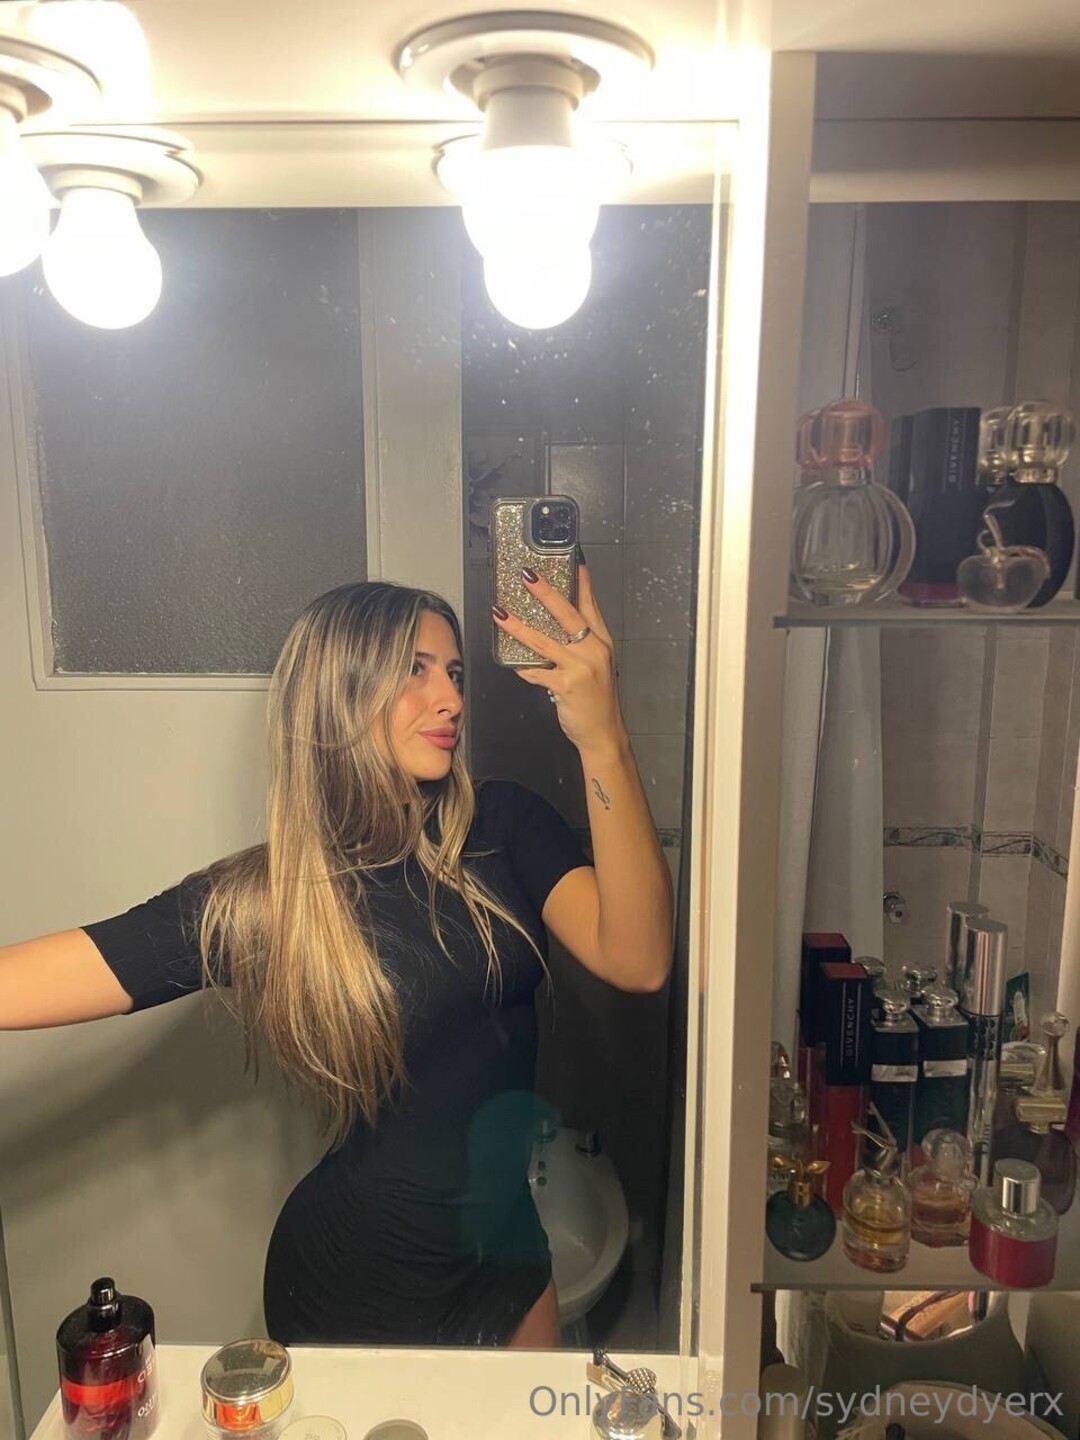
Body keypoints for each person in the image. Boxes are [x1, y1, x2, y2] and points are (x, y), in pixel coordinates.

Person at [0, 561, 673, 1349]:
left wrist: (603, 737)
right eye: (414, 671)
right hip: (356, 1283)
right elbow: (51, 976)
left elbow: (639, 959)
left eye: (454, 673)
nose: (451, 699)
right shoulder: (280, 895)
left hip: (507, 1256)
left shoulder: (504, 825)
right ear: (339, 692)